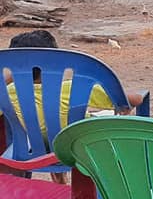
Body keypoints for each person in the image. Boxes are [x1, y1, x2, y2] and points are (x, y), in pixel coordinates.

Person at [3, 30, 144, 183]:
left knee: (47, 128)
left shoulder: (8, 93)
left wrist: (11, 75)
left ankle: (60, 180)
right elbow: (134, 99)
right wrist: (127, 104)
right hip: (81, 149)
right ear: (55, 65)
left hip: (36, 151)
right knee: (96, 118)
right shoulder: (74, 88)